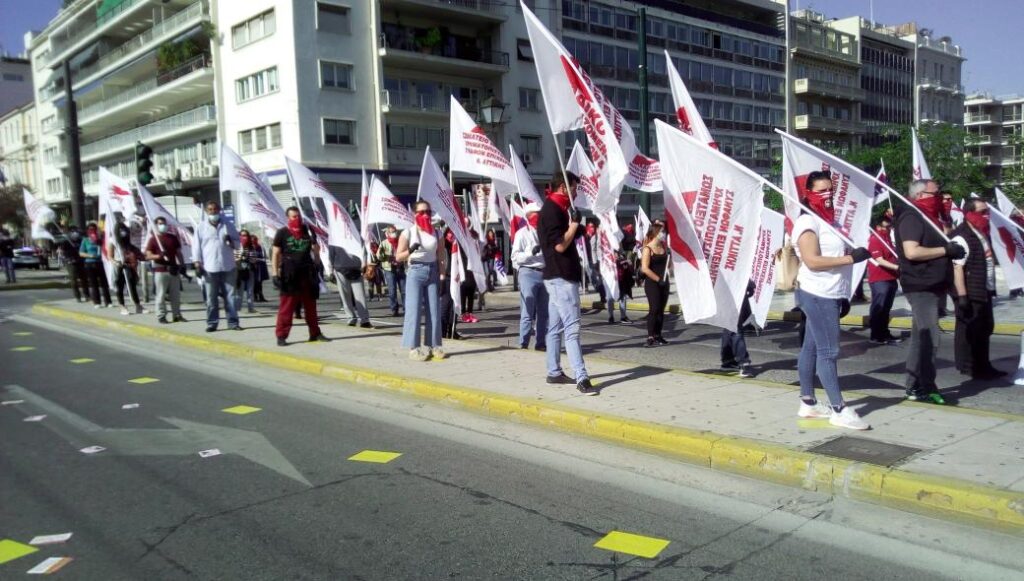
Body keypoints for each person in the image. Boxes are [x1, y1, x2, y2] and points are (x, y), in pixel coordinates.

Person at [793, 171, 872, 430]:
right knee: (829, 351)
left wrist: (844, 293)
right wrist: (851, 259)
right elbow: (813, 261)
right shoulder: (808, 223)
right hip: (817, 294)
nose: (827, 196)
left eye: (831, 191)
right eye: (821, 191)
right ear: (808, 194)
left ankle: (808, 402)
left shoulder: (831, 222)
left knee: (811, 348)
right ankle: (838, 408)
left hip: (831, 293)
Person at [895, 179, 965, 404]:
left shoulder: (932, 218)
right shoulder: (912, 217)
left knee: (920, 338)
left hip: (935, 284)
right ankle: (926, 385)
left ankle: (914, 385)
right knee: (929, 336)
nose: (940, 197)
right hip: (920, 285)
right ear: (920, 195)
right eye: (935, 193)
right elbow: (912, 252)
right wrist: (945, 249)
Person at [539, 171, 596, 395]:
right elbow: (560, 245)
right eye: (574, 187)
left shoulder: (557, 208)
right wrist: (573, 225)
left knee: (554, 328)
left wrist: (578, 227)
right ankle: (582, 377)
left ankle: (553, 372)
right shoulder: (552, 210)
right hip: (561, 277)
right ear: (563, 187)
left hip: (556, 277)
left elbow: (569, 234)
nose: (576, 192)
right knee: (572, 328)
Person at [951, 199, 1006, 380]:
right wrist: (963, 296)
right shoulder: (961, 236)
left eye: (987, 211)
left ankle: (983, 364)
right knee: (972, 331)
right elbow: (957, 268)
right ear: (970, 213)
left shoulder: (982, 232)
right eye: (982, 212)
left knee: (985, 328)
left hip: (984, 289)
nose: (986, 216)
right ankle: (972, 366)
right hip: (971, 292)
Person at [396, 200, 447, 361]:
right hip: (415, 271)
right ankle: (414, 348)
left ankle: (434, 346)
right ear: (415, 214)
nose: (425, 215)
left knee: (434, 310)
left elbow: (441, 257)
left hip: (432, 271)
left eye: (428, 212)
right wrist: (411, 250)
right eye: (422, 212)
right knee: (414, 310)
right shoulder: (408, 233)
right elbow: (398, 256)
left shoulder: (437, 233)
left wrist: (442, 276)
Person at [271, 206, 327, 345]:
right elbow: (275, 253)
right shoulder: (282, 233)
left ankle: (315, 333)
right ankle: (281, 335)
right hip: (289, 275)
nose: (297, 219)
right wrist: (274, 273)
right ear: (288, 218)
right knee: (287, 307)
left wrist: (318, 262)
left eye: (298, 216)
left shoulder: (307, 231)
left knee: (311, 306)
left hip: (307, 273)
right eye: (294, 217)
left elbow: (316, 250)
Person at [192, 201, 241, 332]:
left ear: (219, 210)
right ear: (207, 211)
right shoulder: (201, 227)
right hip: (210, 267)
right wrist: (197, 263)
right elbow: (196, 247)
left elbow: (237, 243)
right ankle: (212, 323)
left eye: (215, 209)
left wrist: (231, 241)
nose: (213, 212)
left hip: (228, 266)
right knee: (211, 298)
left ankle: (233, 322)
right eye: (210, 210)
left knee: (230, 297)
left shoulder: (228, 225)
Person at [511, 203, 547, 350]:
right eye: (535, 214)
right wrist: (530, 253)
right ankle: (523, 343)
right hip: (528, 273)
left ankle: (540, 343)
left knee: (543, 312)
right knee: (528, 310)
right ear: (528, 216)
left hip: (544, 273)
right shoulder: (522, 234)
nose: (538, 217)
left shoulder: (545, 232)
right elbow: (515, 257)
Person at [867, 213, 901, 345]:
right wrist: (896, 267)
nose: (889, 229)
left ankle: (884, 333)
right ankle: (876, 335)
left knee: (886, 309)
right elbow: (879, 259)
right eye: (886, 227)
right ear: (878, 227)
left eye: (890, 227)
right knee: (879, 307)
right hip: (880, 278)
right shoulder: (875, 239)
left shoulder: (887, 238)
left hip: (890, 277)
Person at [145, 216, 185, 324]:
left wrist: (181, 264)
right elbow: (148, 255)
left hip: (173, 269)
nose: (163, 225)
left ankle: (177, 314)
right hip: (160, 270)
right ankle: (161, 315)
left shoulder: (172, 237)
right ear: (156, 225)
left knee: (175, 294)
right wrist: (158, 256)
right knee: (161, 294)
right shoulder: (153, 239)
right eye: (160, 223)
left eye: (164, 223)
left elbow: (178, 252)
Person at [639, 220, 670, 347]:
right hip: (653, 283)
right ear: (656, 232)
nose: (664, 234)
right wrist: (658, 279)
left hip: (664, 282)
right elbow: (645, 268)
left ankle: (658, 334)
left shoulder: (664, 247)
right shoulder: (648, 249)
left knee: (661, 310)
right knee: (654, 308)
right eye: (662, 232)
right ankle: (650, 336)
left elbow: (669, 265)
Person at [108, 216, 146, 316]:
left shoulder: (127, 241)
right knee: (119, 287)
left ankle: (138, 305)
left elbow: (134, 251)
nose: (123, 232)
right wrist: (116, 262)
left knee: (132, 286)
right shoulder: (113, 241)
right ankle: (122, 306)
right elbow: (110, 256)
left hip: (128, 266)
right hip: (118, 267)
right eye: (120, 230)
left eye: (124, 229)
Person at [329, 240, 372, 328]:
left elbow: (364, 250)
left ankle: (365, 320)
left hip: (357, 269)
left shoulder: (356, 236)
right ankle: (351, 318)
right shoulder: (334, 237)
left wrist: (364, 264)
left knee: (360, 296)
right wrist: (330, 271)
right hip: (340, 270)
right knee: (345, 296)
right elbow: (330, 255)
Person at [721, 280, 756, 378]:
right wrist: (749, 284)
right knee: (736, 328)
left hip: (726, 289)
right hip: (734, 289)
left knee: (730, 326)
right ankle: (744, 363)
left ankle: (728, 360)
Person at [79, 223, 112, 307]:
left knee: (104, 283)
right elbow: (81, 253)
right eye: (90, 229)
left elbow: (106, 247)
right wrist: (90, 255)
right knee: (94, 284)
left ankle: (108, 301)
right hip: (90, 263)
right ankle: (97, 302)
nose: (92, 230)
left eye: (94, 228)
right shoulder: (85, 240)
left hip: (100, 262)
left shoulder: (100, 239)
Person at [376, 226, 406, 316]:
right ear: (388, 233)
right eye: (392, 232)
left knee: (404, 291)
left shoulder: (401, 242)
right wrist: (383, 254)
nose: (394, 233)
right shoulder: (384, 243)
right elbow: (379, 257)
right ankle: (394, 309)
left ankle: (406, 309)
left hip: (400, 268)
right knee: (392, 291)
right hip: (389, 269)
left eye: (395, 232)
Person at [459, 228, 480, 323]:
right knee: (463, 293)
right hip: (464, 272)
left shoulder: (475, 248)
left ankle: (470, 313)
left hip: (472, 273)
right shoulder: (463, 247)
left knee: (471, 294)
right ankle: (463, 313)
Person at [61, 227, 87, 302]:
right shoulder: (66, 242)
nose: (75, 233)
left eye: (76, 232)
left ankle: (86, 295)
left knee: (84, 279)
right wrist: (69, 258)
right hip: (71, 262)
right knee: (74, 280)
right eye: (73, 232)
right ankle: (77, 296)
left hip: (81, 261)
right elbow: (64, 252)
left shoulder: (81, 240)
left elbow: (84, 250)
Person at [607, 250, 634, 324]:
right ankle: (611, 316)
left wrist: (629, 264)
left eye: (617, 253)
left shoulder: (622, 259)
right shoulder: (608, 258)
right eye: (615, 253)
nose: (617, 254)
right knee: (610, 298)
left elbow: (628, 269)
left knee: (623, 298)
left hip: (621, 281)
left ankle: (623, 317)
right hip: (611, 282)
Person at [583, 222, 606, 305]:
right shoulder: (586, 237)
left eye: (593, 226)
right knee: (593, 279)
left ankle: (603, 295)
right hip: (588, 260)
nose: (592, 228)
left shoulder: (596, 236)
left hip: (595, 260)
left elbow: (595, 249)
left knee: (596, 279)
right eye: (590, 226)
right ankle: (602, 293)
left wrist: (596, 261)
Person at [252, 235, 269, 302]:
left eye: (254, 240)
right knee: (254, 283)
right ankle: (255, 296)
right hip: (253, 268)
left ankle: (261, 296)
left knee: (259, 282)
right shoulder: (249, 248)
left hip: (260, 268)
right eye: (252, 241)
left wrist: (256, 259)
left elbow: (264, 259)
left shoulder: (261, 248)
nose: (253, 242)